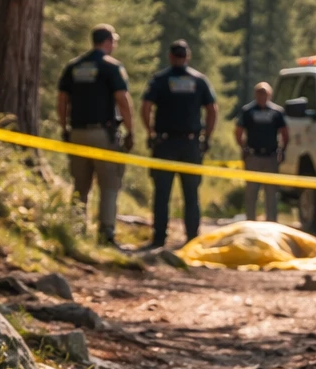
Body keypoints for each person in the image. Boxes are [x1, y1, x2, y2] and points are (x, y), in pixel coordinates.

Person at [57, 25, 136, 247]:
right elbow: (123, 100)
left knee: (80, 185)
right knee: (109, 185)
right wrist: (131, 130)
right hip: (103, 134)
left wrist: (64, 127)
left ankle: (75, 232)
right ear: (108, 41)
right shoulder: (112, 67)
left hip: (77, 132)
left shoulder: (73, 66)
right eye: (114, 41)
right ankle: (106, 235)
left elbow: (62, 100)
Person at [140, 40, 218, 249]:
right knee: (191, 194)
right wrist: (207, 136)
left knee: (162, 193)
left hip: (164, 142)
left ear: (170, 56)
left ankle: (159, 239)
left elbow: (146, 106)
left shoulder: (160, 80)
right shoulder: (199, 80)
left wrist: (150, 132)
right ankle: (192, 239)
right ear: (187, 56)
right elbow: (212, 109)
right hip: (191, 143)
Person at [235, 81, 289, 222]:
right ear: (255, 94)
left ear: (269, 95)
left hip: (271, 156)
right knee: (251, 192)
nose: (262, 97)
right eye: (259, 94)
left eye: (264, 94)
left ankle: (271, 223)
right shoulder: (248, 111)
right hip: (253, 156)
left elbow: (285, 132)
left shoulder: (277, 112)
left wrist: (283, 150)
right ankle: (251, 222)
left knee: (271, 193)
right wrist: (243, 147)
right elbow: (238, 131)